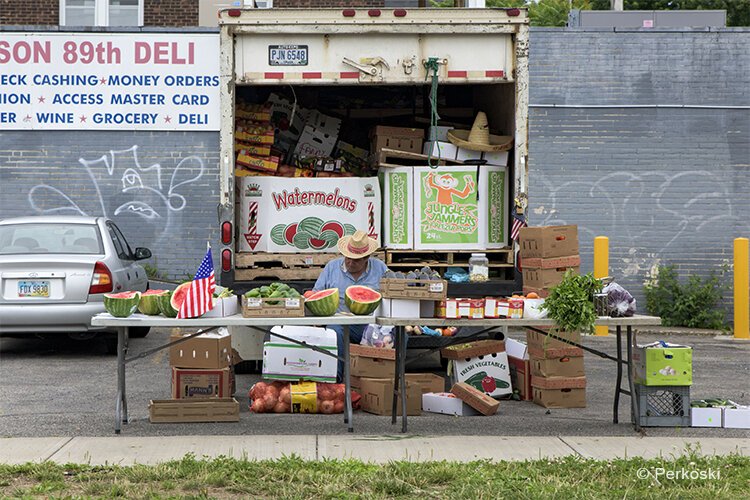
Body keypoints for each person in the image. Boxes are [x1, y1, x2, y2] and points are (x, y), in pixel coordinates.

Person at [312, 230, 388, 381]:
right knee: (334, 332)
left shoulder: (380, 268)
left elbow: (392, 293)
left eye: (356, 260)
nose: (350, 263)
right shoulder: (332, 268)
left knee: (400, 336)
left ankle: (391, 380)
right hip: (339, 323)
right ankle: (336, 382)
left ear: (367, 258)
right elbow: (316, 294)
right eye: (348, 258)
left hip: (370, 325)